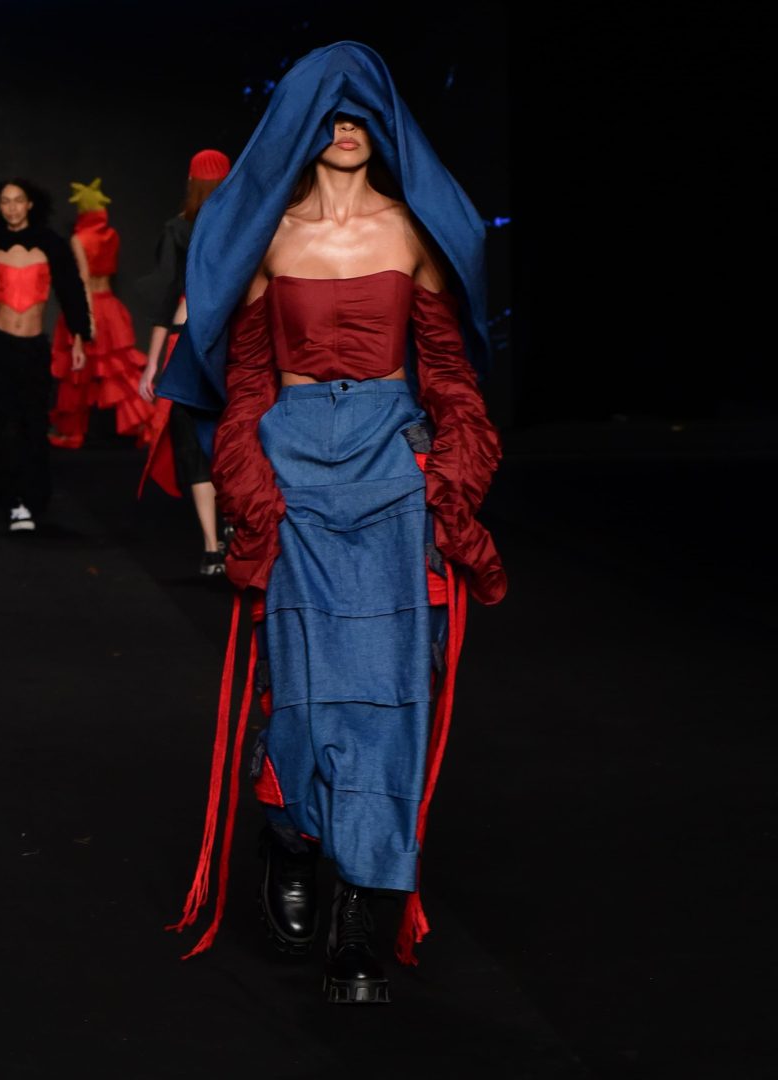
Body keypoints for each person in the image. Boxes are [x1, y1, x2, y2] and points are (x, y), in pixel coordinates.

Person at [159, 42, 507, 1004]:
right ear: (304, 125)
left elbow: (449, 373)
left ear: (383, 126)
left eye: (362, 113)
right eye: (331, 112)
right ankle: (289, 838)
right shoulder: (266, 237)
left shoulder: (413, 231)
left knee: (392, 698)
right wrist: (252, 486)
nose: (347, 128)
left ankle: (359, 916)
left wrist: (451, 475)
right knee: (303, 696)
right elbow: (246, 383)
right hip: (297, 474)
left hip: (391, 474)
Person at [0, 178, 92, 532]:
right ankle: (11, 499)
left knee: (33, 423)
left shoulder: (51, 245)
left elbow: (71, 292)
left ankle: (31, 495)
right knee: (1, 423)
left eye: (18, 200)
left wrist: (79, 339)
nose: (12, 207)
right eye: (5, 201)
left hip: (32, 347)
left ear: (30, 204)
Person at [137, 150, 232, 575]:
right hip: (232, 339)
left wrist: (152, 363)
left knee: (193, 442)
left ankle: (212, 547)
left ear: (191, 182)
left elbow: (166, 296)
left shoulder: (178, 228)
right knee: (235, 434)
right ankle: (234, 524)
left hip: (186, 340)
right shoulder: (247, 226)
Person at [49, 177, 156, 450]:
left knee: (77, 372)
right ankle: (144, 425)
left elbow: (83, 279)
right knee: (119, 370)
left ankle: (72, 432)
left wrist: (85, 319)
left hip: (89, 305)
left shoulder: (78, 239)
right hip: (110, 305)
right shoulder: (112, 236)